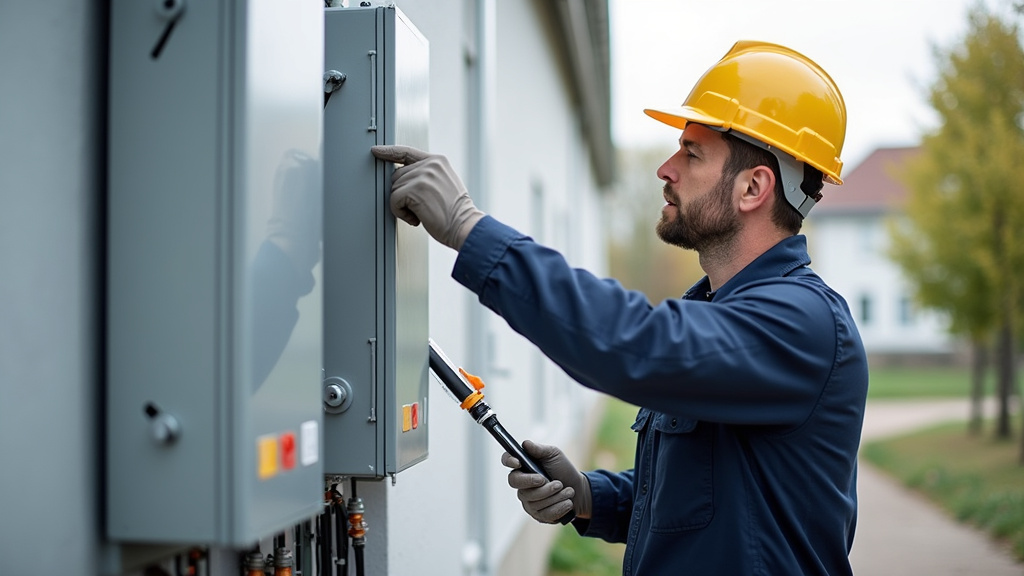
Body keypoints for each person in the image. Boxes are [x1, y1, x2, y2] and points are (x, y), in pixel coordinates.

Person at [372, 40, 868, 576]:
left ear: (753, 187)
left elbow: (636, 345)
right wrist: (590, 496)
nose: (665, 168)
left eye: (692, 152)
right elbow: (721, 494)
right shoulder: (725, 312)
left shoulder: (801, 324)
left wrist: (471, 229)